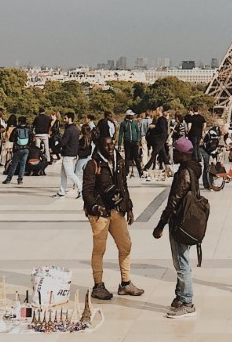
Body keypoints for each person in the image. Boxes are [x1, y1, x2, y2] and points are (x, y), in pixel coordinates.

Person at [82, 134, 143, 301]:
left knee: (126, 245)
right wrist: (95, 207)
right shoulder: (92, 164)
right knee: (99, 250)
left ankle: (125, 283)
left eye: (112, 144)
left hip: (116, 210)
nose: (111, 147)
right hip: (100, 213)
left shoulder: (119, 160)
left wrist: (128, 207)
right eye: (107, 145)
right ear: (100, 146)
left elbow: (123, 185)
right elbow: (86, 191)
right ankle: (98, 286)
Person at [153, 137, 204, 319]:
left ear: (182, 154)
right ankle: (180, 297)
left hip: (180, 222)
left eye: (175, 151)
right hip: (188, 220)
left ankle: (188, 302)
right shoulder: (193, 168)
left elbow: (173, 202)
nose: (172, 154)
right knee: (181, 260)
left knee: (182, 263)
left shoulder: (184, 173)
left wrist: (160, 226)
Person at [55, 113, 84, 199]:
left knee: (70, 173)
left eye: (65, 118)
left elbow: (63, 142)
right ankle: (62, 191)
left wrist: (56, 144)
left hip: (68, 153)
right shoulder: (75, 129)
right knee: (63, 173)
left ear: (70, 119)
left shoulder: (69, 130)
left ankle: (81, 188)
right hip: (71, 153)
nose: (64, 120)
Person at [116, 110, 145, 180]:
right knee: (127, 157)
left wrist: (138, 140)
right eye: (131, 115)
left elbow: (138, 131)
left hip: (134, 142)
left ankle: (140, 172)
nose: (133, 116)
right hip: (127, 141)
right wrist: (119, 143)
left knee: (136, 157)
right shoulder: (123, 123)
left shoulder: (134, 122)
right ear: (128, 115)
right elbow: (120, 134)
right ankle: (126, 172)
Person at [2, 117, 30, 185]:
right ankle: (20, 180)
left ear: (19, 122)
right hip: (26, 149)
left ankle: (8, 179)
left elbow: (11, 139)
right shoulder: (29, 129)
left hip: (18, 149)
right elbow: (31, 139)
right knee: (23, 165)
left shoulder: (16, 129)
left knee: (14, 165)